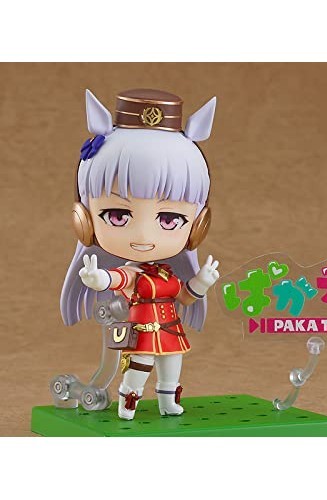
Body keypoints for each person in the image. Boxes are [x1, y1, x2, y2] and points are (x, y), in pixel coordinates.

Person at [60, 88, 219, 420]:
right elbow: (117, 279)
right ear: (84, 220)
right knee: (139, 366)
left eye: (169, 219)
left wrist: (202, 282)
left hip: (170, 328)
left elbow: (185, 296)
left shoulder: (167, 273)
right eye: (118, 216)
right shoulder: (134, 272)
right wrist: (97, 279)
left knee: (172, 365)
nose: (145, 237)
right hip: (142, 329)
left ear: (198, 224)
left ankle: (168, 402)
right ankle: (127, 402)